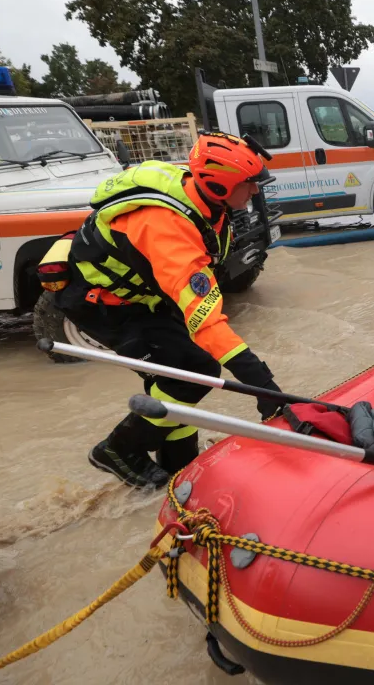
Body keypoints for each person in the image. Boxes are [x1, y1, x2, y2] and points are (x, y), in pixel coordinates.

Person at [53, 134, 283, 489]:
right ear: (218, 185)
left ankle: (179, 465)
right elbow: (205, 319)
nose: (255, 192)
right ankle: (117, 450)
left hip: (146, 300)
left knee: (181, 374)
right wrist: (262, 385)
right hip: (105, 305)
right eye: (249, 184)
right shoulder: (165, 226)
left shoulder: (204, 201)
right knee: (194, 370)